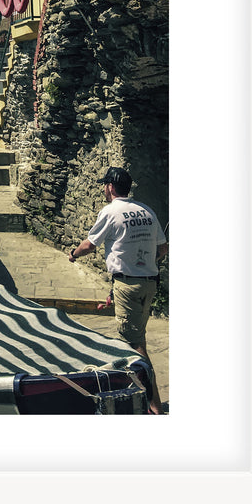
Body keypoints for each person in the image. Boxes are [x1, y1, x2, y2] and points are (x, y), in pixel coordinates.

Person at [68, 166, 168, 414]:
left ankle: (153, 405)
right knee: (138, 336)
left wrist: (73, 255)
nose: (104, 189)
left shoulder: (111, 211)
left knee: (134, 345)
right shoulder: (146, 210)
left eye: (105, 185)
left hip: (129, 284)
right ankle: (144, 398)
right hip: (148, 283)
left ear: (110, 187)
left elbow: (90, 245)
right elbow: (163, 248)